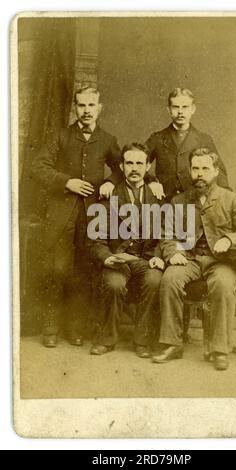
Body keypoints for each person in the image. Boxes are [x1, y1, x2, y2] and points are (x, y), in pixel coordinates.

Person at [31, 86, 122, 347]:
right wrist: (66, 182)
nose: (86, 110)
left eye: (91, 105)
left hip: (91, 215)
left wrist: (110, 182)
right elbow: (38, 167)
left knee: (83, 271)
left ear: (99, 108)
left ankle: (75, 326)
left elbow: (121, 168)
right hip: (60, 214)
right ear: (75, 107)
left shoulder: (107, 139)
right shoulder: (60, 136)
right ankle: (50, 326)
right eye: (81, 105)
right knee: (57, 269)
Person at [152, 147, 236, 370]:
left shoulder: (230, 199)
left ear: (216, 170)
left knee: (224, 284)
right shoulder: (179, 201)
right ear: (190, 171)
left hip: (220, 262)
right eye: (195, 168)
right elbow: (167, 235)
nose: (199, 174)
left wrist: (228, 239)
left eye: (205, 169)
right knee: (170, 278)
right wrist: (173, 253)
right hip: (188, 259)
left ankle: (220, 349)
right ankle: (172, 344)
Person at [90, 143, 164, 358]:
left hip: (146, 260)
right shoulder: (108, 198)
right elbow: (96, 240)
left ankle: (142, 340)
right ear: (121, 166)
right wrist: (106, 258)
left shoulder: (157, 198)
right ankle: (107, 339)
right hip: (118, 260)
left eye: (140, 163)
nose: (134, 168)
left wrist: (157, 257)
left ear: (148, 166)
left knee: (154, 281)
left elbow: (166, 236)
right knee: (114, 284)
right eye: (129, 163)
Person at [145, 88, 230, 201]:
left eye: (185, 107)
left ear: (193, 109)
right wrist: (151, 181)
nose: (180, 111)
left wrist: (226, 200)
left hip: (194, 202)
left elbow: (219, 173)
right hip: (164, 203)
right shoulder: (157, 138)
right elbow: (135, 162)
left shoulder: (204, 139)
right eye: (175, 107)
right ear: (169, 110)